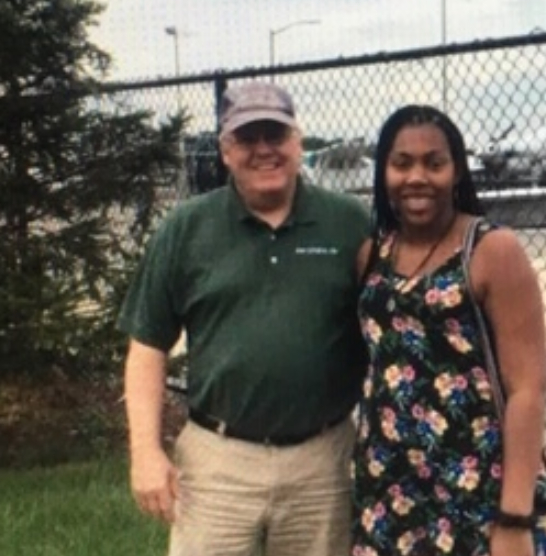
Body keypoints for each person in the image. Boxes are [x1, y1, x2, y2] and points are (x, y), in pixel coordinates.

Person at [117, 81, 370, 556]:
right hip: (218, 460)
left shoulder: (350, 223)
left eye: (275, 134)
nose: (263, 150)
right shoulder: (186, 229)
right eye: (247, 138)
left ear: (298, 141)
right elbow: (147, 347)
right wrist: (145, 453)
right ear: (225, 150)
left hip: (323, 461)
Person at [352, 104, 546, 556]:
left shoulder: (491, 251)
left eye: (434, 163)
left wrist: (515, 517)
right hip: (388, 492)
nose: (417, 177)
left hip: (473, 493)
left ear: (458, 171)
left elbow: (528, 390)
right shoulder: (371, 256)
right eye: (401, 163)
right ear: (383, 171)